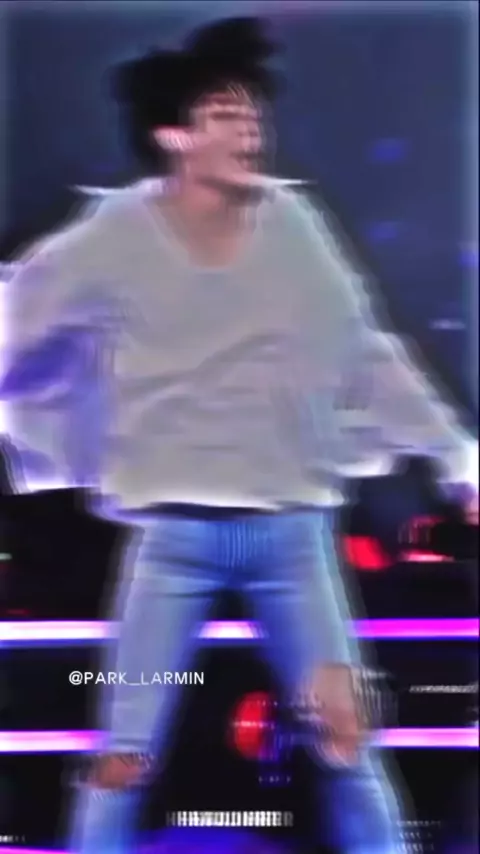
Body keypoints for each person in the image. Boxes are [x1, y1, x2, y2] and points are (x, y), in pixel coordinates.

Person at [2, 17, 478, 854]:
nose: (250, 130)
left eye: (253, 114)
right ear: (173, 134)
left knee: (345, 747)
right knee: (125, 756)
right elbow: (16, 324)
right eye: (225, 114)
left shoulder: (294, 224)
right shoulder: (114, 236)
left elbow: (367, 354)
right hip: (172, 543)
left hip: (292, 540)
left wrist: (457, 458)